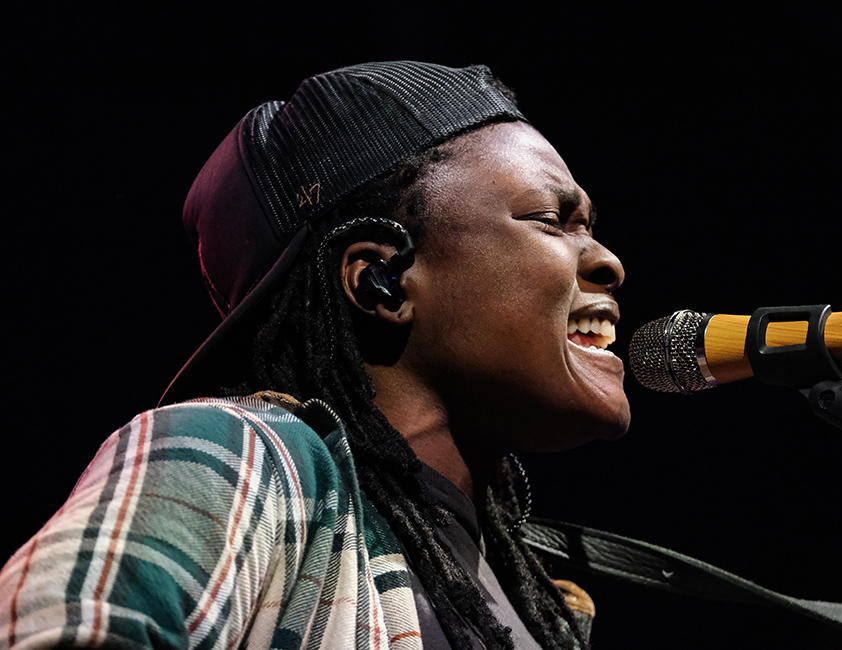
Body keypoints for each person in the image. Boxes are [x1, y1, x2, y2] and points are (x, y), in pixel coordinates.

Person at [0, 61, 629, 649]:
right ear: (380, 279)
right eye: (553, 219)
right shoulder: (240, 452)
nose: (608, 261)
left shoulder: (533, 594)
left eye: (591, 225)